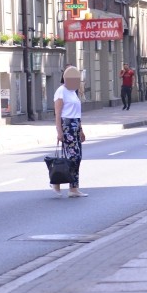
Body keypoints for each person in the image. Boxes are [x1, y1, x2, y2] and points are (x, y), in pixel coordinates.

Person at [54, 66, 87, 198]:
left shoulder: (73, 92)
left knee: (77, 157)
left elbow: (77, 113)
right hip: (66, 125)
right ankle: (57, 182)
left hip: (75, 125)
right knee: (73, 157)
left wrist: (81, 129)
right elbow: (57, 114)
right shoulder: (61, 91)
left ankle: (74, 188)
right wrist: (59, 131)